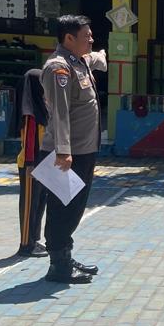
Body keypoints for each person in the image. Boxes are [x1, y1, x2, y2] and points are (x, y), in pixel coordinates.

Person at [40, 14, 103, 285]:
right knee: (62, 209)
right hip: (66, 154)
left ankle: (65, 256)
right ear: (68, 38)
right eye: (86, 36)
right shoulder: (59, 68)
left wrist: (101, 55)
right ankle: (58, 266)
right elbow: (60, 113)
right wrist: (63, 151)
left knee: (75, 207)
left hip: (83, 150)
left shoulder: (79, 61)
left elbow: (97, 58)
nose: (91, 39)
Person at [14, 68, 48, 258]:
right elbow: (29, 140)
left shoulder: (42, 108)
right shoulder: (30, 114)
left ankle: (34, 239)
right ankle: (25, 245)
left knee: (39, 203)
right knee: (28, 205)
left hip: (42, 164)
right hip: (31, 165)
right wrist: (29, 164)